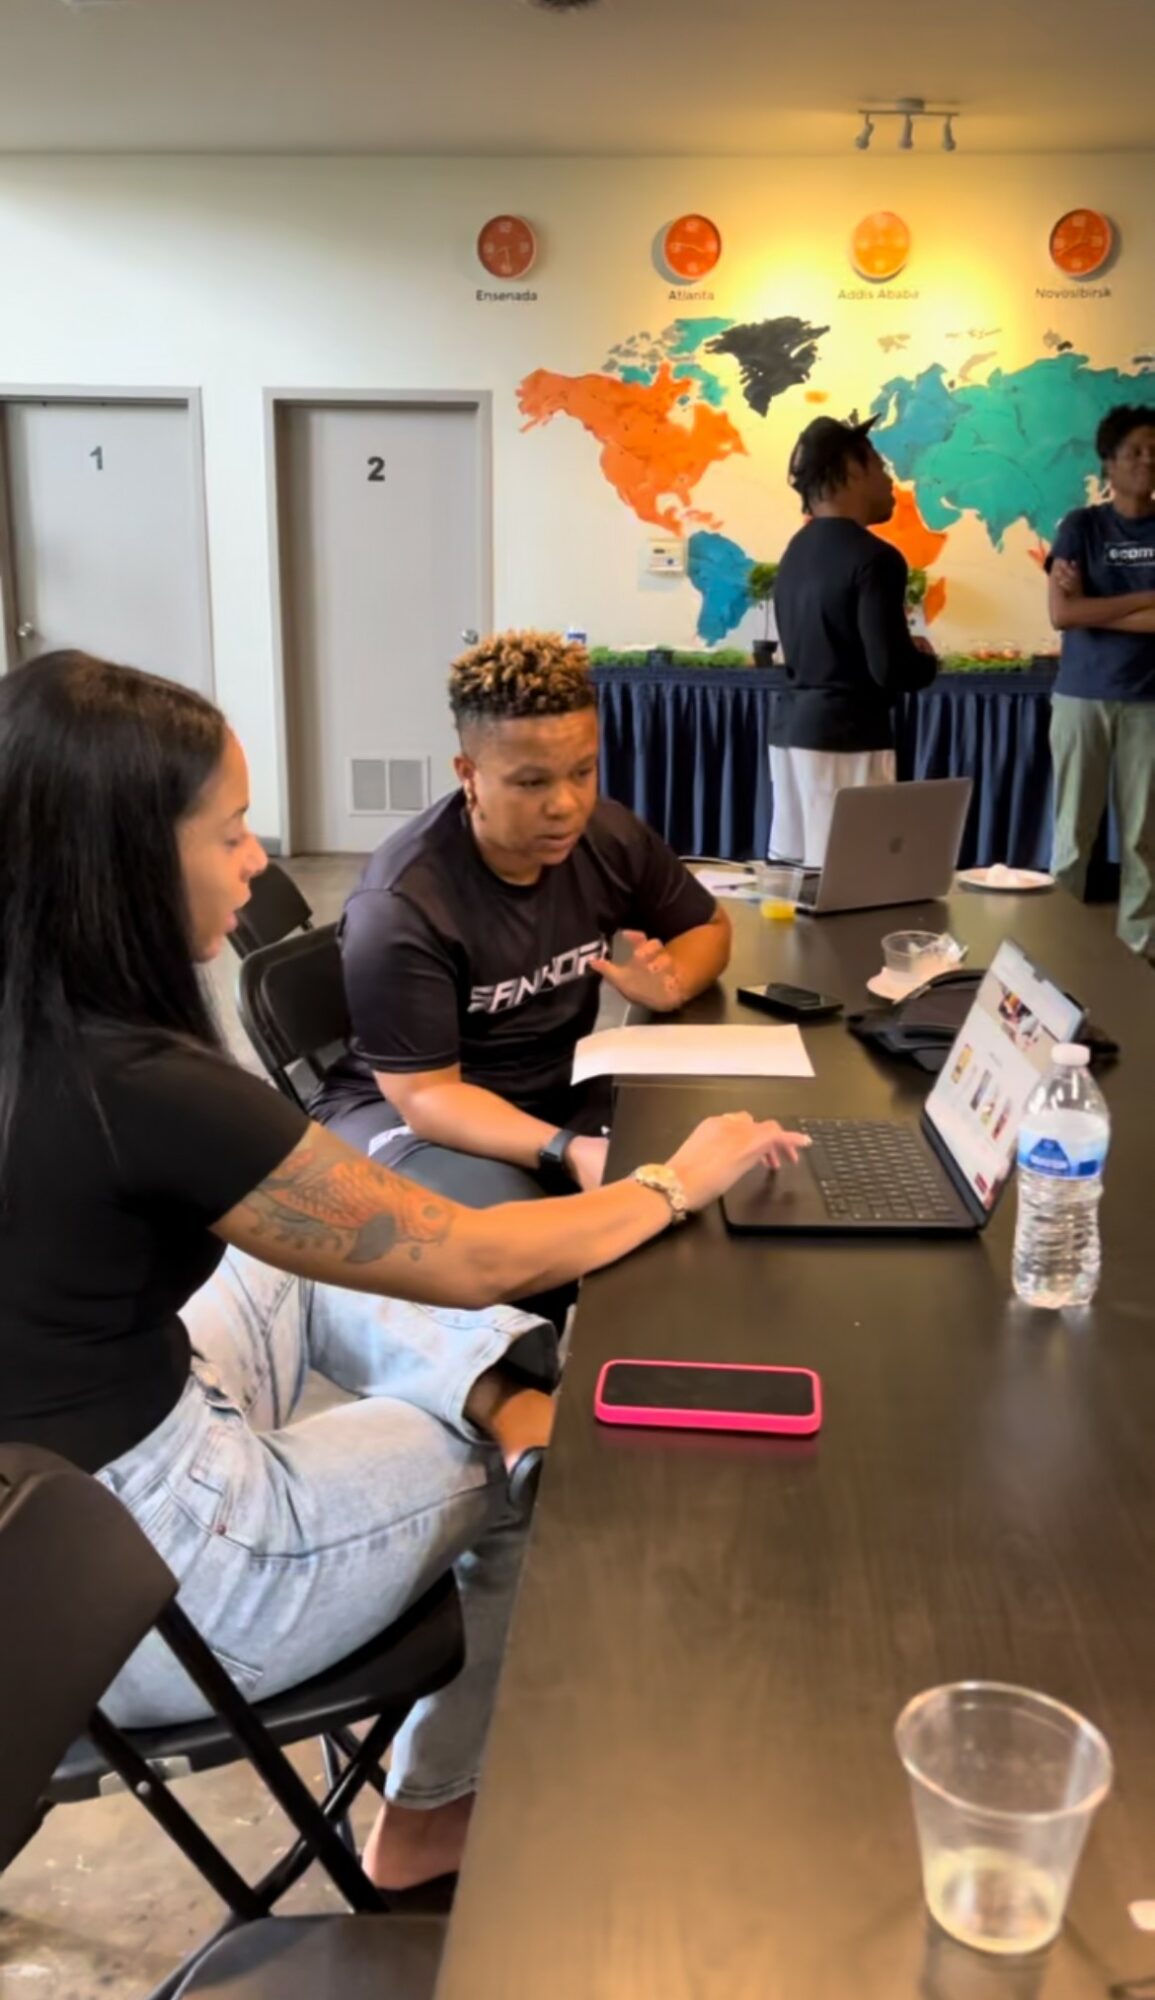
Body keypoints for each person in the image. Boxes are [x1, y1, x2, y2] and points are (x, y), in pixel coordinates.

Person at [0, 652, 803, 1893]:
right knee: (553, 1451)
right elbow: (470, 1253)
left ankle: (499, 1395)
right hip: (142, 1581)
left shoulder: (39, 1022)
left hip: (57, 1497)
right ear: (121, 860)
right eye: (229, 834)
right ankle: (431, 1807)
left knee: (319, 1261)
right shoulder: (138, 1079)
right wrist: (670, 1181)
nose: (262, 861)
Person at [315, 631, 732, 1215]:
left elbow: (709, 926)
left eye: (583, 772)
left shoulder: (608, 837)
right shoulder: (401, 906)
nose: (565, 804)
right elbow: (428, 1097)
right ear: (469, 773)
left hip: (554, 1094)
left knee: (716, 1178)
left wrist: (674, 983)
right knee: (518, 1231)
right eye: (532, 783)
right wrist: (567, 1150)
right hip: (409, 1113)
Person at [769, 414, 937, 867]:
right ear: (852, 468)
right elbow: (890, 668)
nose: (890, 483)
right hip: (849, 738)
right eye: (881, 468)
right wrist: (924, 660)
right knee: (857, 876)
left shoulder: (794, 553)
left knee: (801, 877)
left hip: (790, 733)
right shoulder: (876, 559)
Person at [1046, 404, 1155, 958]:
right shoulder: (1080, 526)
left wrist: (1095, 604)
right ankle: (1057, 946)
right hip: (1081, 698)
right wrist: (1143, 598)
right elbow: (1062, 615)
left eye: (1154, 450)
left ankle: (1140, 952)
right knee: (1072, 836)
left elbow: (1080, 609)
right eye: (1135, 450)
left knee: (1143, 840)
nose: (1147, 459)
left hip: (1148, 703)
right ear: (1109, 462)